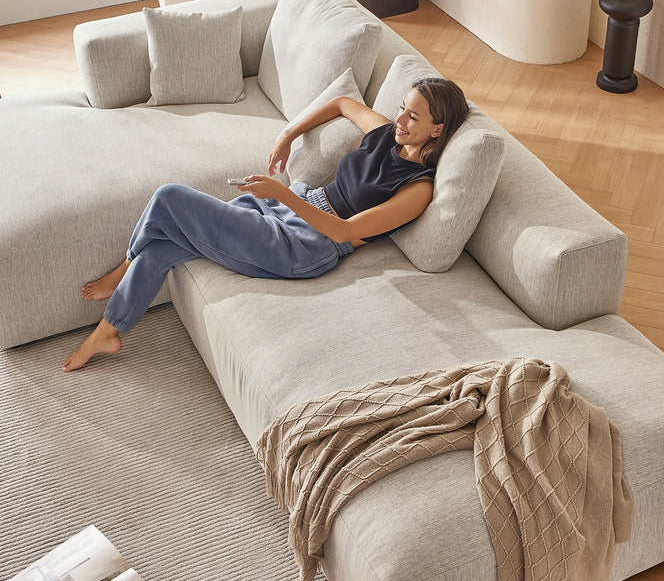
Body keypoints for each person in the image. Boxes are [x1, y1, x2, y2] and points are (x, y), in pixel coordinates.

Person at [62, 77, 469, 372]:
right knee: (166, 243)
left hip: (309, 244)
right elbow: (343, 103)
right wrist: (288, 133)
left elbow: (345, 231)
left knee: (170, 196)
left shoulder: (418, 190)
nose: (401, 120)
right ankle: (110, 330)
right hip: (298, 205)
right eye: (402, 108)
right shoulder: (386, 135)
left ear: (437, 128)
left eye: (413, 117)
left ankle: (122, 270)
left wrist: (282, 194)